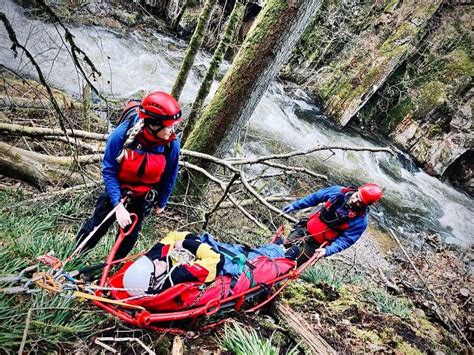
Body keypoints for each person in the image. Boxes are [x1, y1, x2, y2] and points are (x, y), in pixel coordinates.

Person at [76, 91, 182, 260]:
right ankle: (75, 256)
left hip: (142, 197)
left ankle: (110, 268)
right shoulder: (121, 135)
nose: (172, 130)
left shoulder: (171, 145)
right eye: (169, 126)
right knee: (96, 227)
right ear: (153, 125)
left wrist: (161, 202)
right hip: (117, 190)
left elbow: (170, 175)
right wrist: (118, 206)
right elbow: (109, 170)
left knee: (129, 237)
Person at [122, 231, 301, 296]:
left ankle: (278, 246)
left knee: (242, 250)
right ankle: (283, 253)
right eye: (156, 267)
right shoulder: (178, 276)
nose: (158, 261)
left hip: (205, 249)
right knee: (256, 261)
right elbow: (216, 260)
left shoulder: (157, 262)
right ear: (156, 281)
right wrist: (187, 244)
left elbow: (174, 234)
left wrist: (187, 240)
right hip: (224, 266)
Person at [281, 183, 383, 263]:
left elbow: (346, 240)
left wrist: (327, 251)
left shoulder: (360, 221)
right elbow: (315, 197)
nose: (353, 200)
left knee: (290, 265)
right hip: (303, 229)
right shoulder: (338, 192)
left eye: (359, 202)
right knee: (281, 250)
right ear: (357, 190)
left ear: (365, 205)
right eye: (356, 195)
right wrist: (295, 205)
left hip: (315, 245)